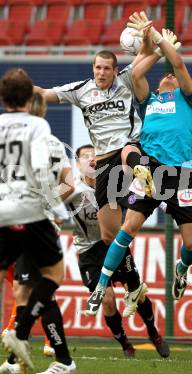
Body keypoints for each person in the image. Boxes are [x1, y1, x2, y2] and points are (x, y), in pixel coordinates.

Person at [87, 15, 192, 316]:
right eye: (166, 75)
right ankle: (100, 287)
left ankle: (182, 267)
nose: (170, 76)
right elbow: (136, 74)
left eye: (172, 76)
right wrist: (150, 41)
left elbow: (180, 65)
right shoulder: (149, 101)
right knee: (127, 229)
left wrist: (160, 40)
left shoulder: (187, 98)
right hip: (149, 171)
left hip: (181, 175)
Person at [0, 69, 76, 373]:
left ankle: (20, 342)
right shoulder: (39, 128)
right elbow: (42, 172)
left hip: (3, 211)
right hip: (32, 212)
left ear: (4, 97)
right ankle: (21, 334)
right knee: (53, 275)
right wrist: (57, 209)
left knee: (20, 288)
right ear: (31, 98)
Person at [64, 144, 169, 358]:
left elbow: (134, 199)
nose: (91, 159)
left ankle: (153, 332)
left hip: (115, 245)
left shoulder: (113, 183)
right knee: (108, 300)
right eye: (85, 157)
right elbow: (49, 204)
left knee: (136, 292)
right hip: (89, 251)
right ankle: (125, 344)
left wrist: (158, 203)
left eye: (95, 155)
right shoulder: (72, 191)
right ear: (77, 164)